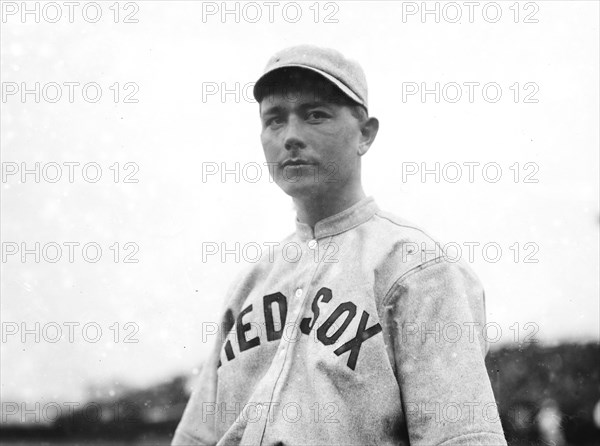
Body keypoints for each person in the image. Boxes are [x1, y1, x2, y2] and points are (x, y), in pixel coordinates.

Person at [172, 45, 508, 446]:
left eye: (316, 115)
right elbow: (196, 438)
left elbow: (460, 438)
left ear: (365, 134)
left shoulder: (416, 268)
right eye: (274, 120)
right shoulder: (251, 282)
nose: (291, 136)